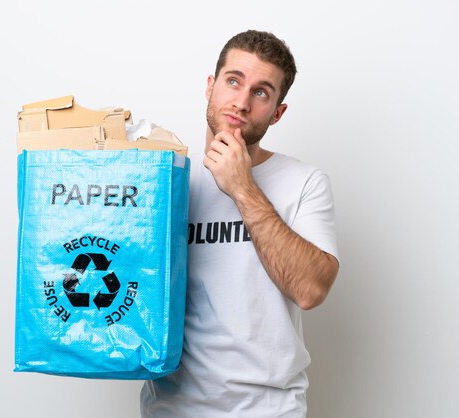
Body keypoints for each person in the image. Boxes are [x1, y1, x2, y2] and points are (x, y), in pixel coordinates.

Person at [141, 29, 340, 417]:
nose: (242, 102)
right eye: (234, 82)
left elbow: (311, 291)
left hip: (268, 409)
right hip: (171, 408)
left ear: (277, 113)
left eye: (261, 92)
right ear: (211, 86)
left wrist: (242, 187)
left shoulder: (305, 182)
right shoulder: (166, 180)